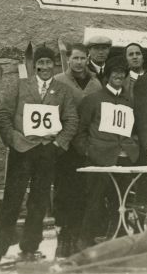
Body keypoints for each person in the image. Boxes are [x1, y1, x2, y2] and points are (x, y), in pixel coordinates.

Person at [0, 46, 78, 261]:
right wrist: (14, 140)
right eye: (40, 63)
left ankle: (30, 246)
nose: (44, 67)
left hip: (47, 151)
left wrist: (59, 144)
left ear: (54, 65)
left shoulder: (63, 90)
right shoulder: (20, 86)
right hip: (21, 150)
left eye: (48, 63)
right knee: (13, 199)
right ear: (34, 65)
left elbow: (71, 120)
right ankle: (0, 248)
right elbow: (3, 115)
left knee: (39, 200)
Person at [74, 57, 139, 248]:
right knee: (94, 201)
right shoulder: (93, 99)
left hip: (125, 159)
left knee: (122, 202)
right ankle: (86, 242)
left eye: (122, 73)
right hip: (99, 159)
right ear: (107, 76)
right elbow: (80, 131)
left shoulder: (129, 102)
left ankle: (120, 242)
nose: (119, 76)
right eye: (114, 72)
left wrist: (132, 147)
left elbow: (134, 130)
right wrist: (88, 151)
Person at [53, 44, 103, 256]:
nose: (79, 62)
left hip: (87, 144)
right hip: (66, 144)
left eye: (83, 58)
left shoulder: (95, 82)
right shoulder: (59, 81)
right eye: (76, 58)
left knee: (85, 190)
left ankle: (82, 234)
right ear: (69, 59)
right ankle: (65, 235)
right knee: (65, 190)